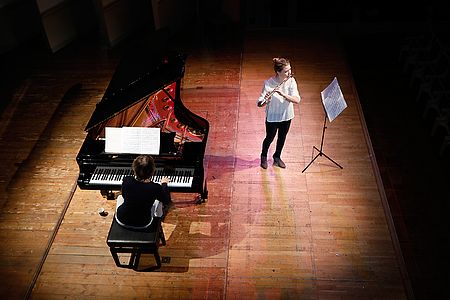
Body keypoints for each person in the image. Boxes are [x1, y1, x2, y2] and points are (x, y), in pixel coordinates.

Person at [256, 57, 301, 169]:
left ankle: (277, 157)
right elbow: (259, 103)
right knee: (269, 138)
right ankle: (263, 156)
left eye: (290, 69)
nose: (289, 72)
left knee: (282, 137)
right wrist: (266, 100)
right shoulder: (268, 83)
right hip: (273, 117)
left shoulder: (291, 81)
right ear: (278, 72)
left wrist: (284, 95)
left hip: (286, 115)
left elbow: (297, 100)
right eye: (286, 71)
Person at [115, 155, 172, 229]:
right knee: (159, 201)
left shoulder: (127, 180)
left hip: (121, 219)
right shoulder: (155, 187)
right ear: (152, 171)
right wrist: (164, 184)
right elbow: (167, 200)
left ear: (134, 169)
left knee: (120, 197)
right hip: (143, 223)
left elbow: (124, 195)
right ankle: (159, 217)